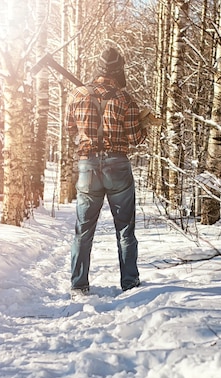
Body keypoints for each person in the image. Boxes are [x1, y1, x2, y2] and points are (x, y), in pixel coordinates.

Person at [65, 47, 149, 295]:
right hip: (117, 166)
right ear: (119, 70)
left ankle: (79, 285)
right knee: (125, 229)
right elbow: (135, 139)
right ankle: (130, 283)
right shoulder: (125, 99)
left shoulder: (77, 94)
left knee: (83, 230)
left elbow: (71, 129)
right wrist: (143, 123)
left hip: (87, 165)